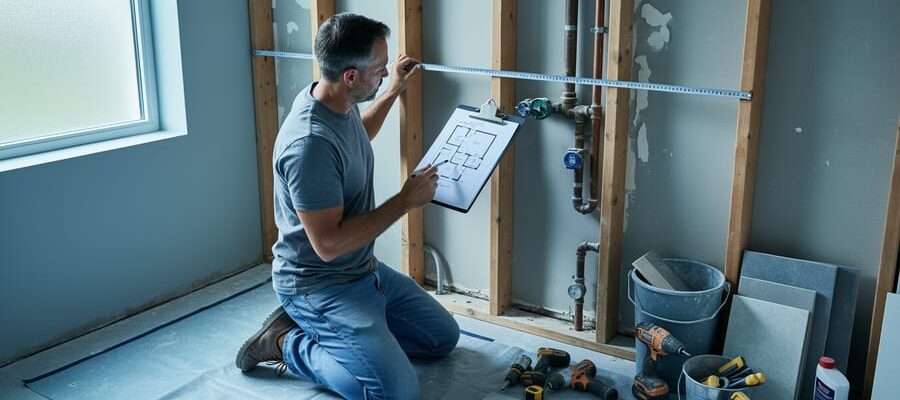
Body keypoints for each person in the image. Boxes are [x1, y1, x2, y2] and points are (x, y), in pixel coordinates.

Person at [235, 12, 460, 400]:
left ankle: (343, 334)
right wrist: (406, 201)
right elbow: (328, 245)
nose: (385, 72)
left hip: (361, 270)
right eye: (378, 69)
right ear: (351, 77)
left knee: (442, 338)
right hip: (319, 283)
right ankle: (284, 341)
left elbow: (357, 137)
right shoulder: (308, 145)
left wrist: (391, 92)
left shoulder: (336, 101)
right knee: (395, 393)